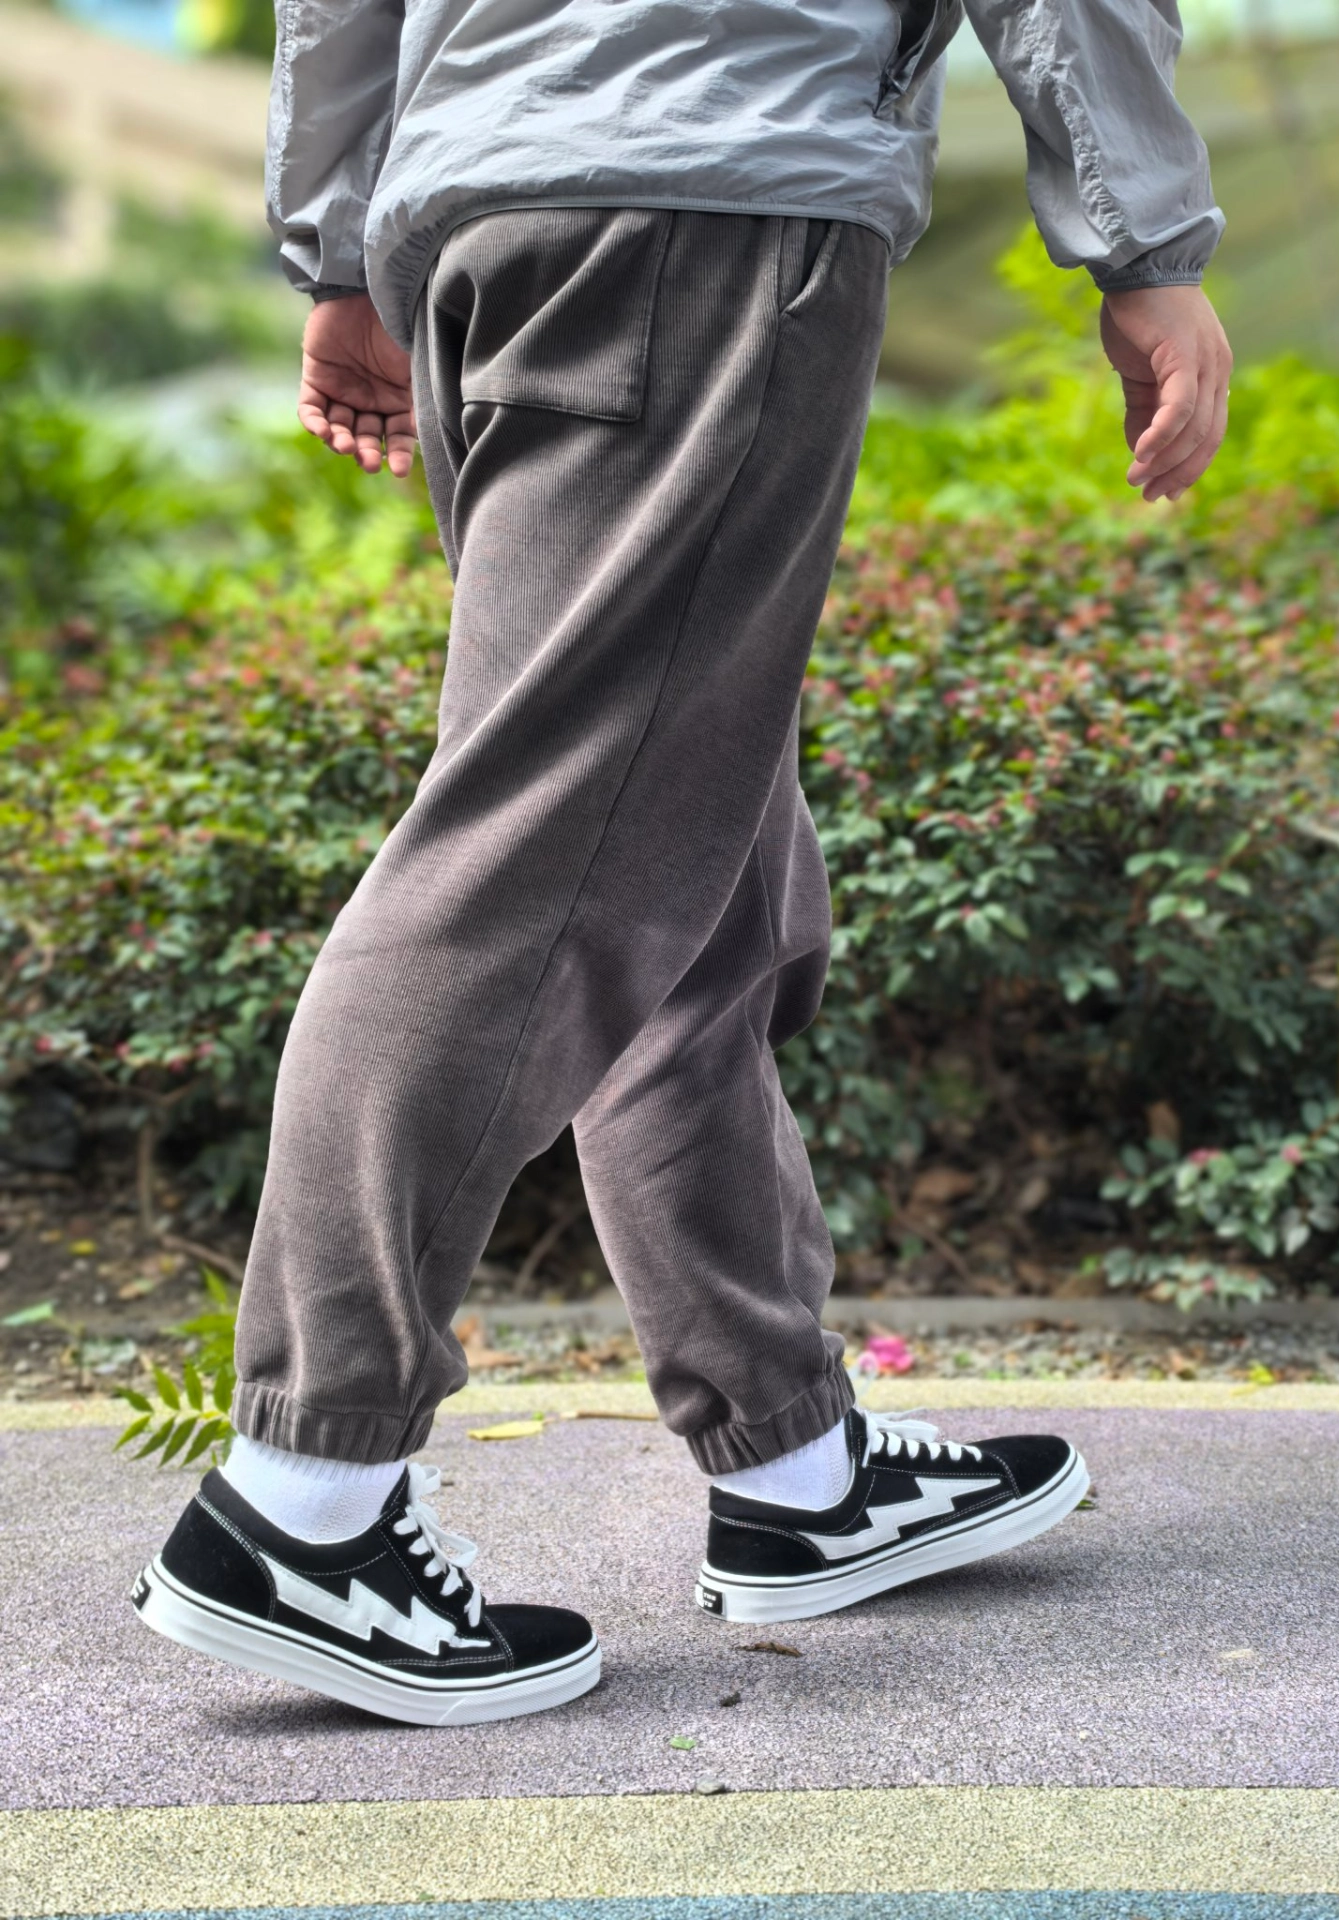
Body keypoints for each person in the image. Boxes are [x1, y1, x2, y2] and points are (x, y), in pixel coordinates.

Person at [132, 0, 1231, 1725]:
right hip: (710, 203)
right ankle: (303, 1497)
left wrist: (340, 245)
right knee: (536, 858)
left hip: (485, 209)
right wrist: (1142, 244)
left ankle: (791, 1466)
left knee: (673, 835)